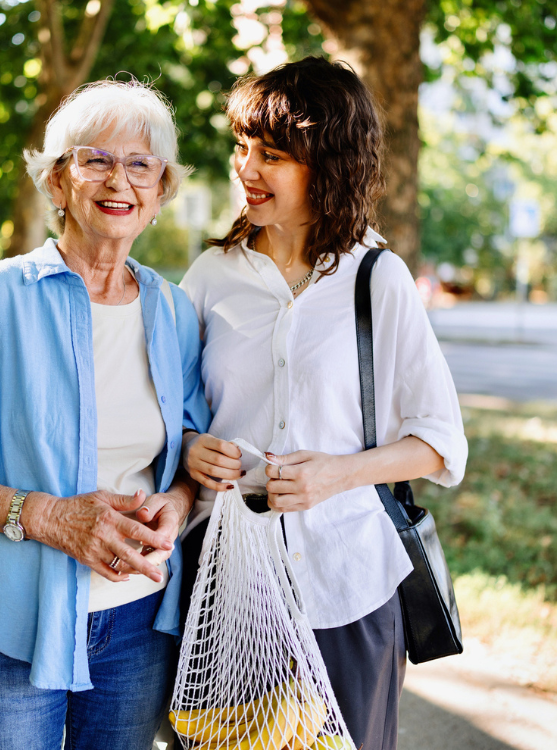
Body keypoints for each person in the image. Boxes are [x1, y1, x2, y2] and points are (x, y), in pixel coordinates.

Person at [0, 79, 210, 750]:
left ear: (158, 192)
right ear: (59, 180)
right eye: (95, 158)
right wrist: (49, 517)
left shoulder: (173, 312)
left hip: (135, 622)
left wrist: (179, 505)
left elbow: (190, 455)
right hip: (7, 617)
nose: (117, 179)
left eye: (139, 164)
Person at [178, 57, 468, 750]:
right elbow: (170, 407)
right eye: (241, 148)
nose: (246, 168)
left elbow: (439, 441)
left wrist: (335, 473)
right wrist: (191, 445)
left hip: (347, 584)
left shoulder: (379, 280)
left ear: (328, 164)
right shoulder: (210, 276)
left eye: (271, 155)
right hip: (229, 588)